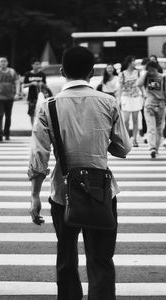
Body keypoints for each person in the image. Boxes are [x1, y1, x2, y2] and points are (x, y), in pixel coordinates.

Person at [28, 46, 132, 300]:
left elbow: (38, 158)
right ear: (92, 72)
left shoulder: (48, 106)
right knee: (101, 259)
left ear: (62, 71)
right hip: (101, 191)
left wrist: (34, 197)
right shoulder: (108, 102)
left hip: (63, 193)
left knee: (66, 257)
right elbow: (123, 148)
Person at [136, 61, 166, 158]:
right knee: (151, 128)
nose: (151, 72)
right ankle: (152, 148)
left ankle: (156, 149)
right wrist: (146, 73)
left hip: (161, 105)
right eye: (149, 70)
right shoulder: (146, 77)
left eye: (153, 70)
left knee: (159, 129)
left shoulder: (163, 77)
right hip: (149, 105)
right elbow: (138, 84)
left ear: (157, 68)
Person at [119, 55, 143, 147]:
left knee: (135, 119)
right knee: (126, 120)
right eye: (134, 61)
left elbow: (140, 85)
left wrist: (143, 95)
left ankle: (135, 139)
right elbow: (120, 88)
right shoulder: (122, 74)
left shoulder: (138, 73)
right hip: (126, 97)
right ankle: (127, 139)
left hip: (136, 97)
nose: (135, 63)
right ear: (129, 62)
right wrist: (119, 99)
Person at [23, 58, 47, 125]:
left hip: (41, 97)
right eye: (36, 64)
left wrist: (42, 84)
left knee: (41, 113)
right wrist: (31, 83)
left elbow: (46, 86)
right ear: (32, 65)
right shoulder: (28, 74)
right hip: (31, 97)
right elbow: (24, 85)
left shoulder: (42, 74)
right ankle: (33, 128)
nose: (38, 65)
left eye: (39, 64)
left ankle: (40, 127)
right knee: (31, 113)